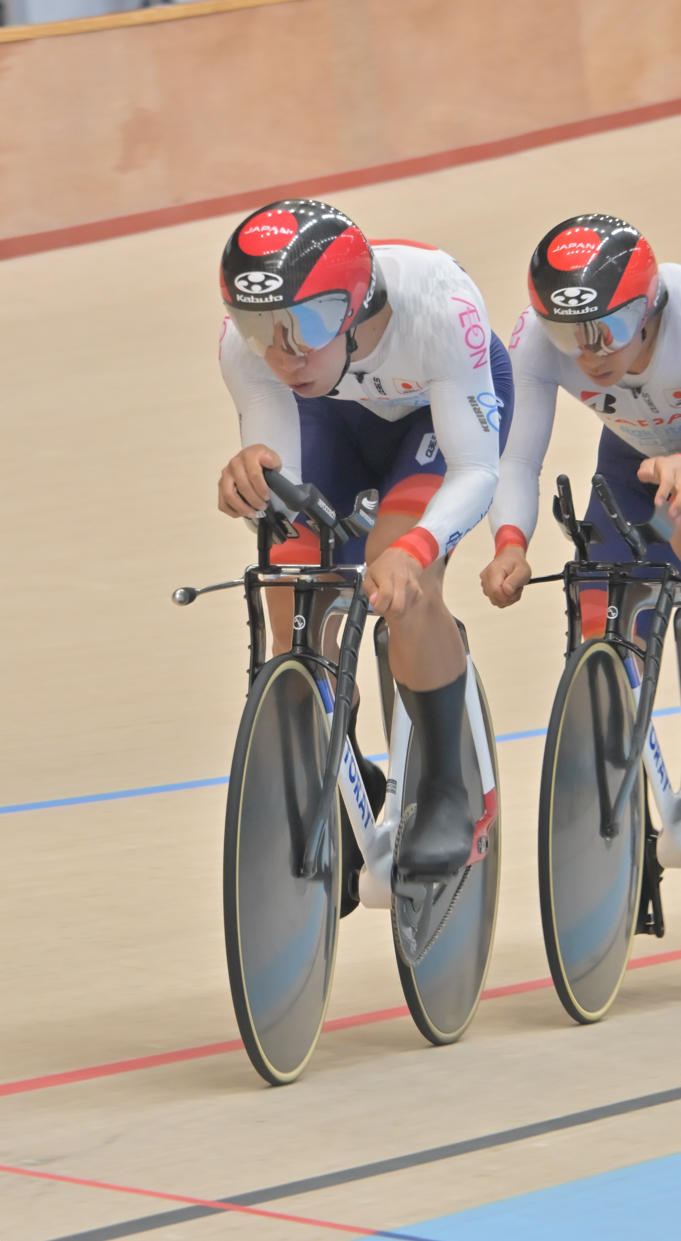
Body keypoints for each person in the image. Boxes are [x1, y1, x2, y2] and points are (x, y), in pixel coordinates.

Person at [216, 199, 509, 878]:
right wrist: (253, 480)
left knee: (400, 581)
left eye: (305, 325)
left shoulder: (441, 306)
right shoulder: (252, 352)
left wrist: (416, 551)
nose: (280, 352)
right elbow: (284, 479)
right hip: (334, 421)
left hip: (433, 427)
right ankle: (341, 777)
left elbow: (476, 470)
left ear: (355, 305)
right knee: (293, 587)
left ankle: (443, 789)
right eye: (257, 325)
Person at [479, 214, 681, 763]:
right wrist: (510, 542)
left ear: (648, 310)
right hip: (634, 456)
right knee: (602, 610)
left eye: (608, 331)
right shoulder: (533, 340)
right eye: (567, 334)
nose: (589, 353)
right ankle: (627, 799)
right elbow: (518, 460)